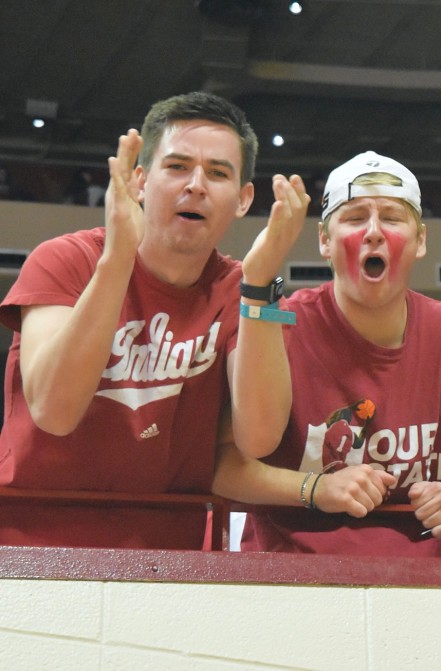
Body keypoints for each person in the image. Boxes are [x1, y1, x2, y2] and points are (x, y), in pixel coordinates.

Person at [0, 91, 305, 549]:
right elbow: (54, 412)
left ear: (243, 200)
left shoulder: (242, 291)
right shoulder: (65, 260)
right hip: (34, 533)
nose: (196, 184)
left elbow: (259, 438)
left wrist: (259, 285)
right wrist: (118, 257)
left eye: (218, 173)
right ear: (140, 180)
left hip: (166, 545)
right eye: (177, 166)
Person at [214, 151, 441, 556]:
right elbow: (225, 466)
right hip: (289, 582)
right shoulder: (278, 325)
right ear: (324, 241)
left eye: (391, 217)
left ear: (420, 240)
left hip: (420, 584)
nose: (373, 232)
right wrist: (315, 489)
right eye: (354, 218)